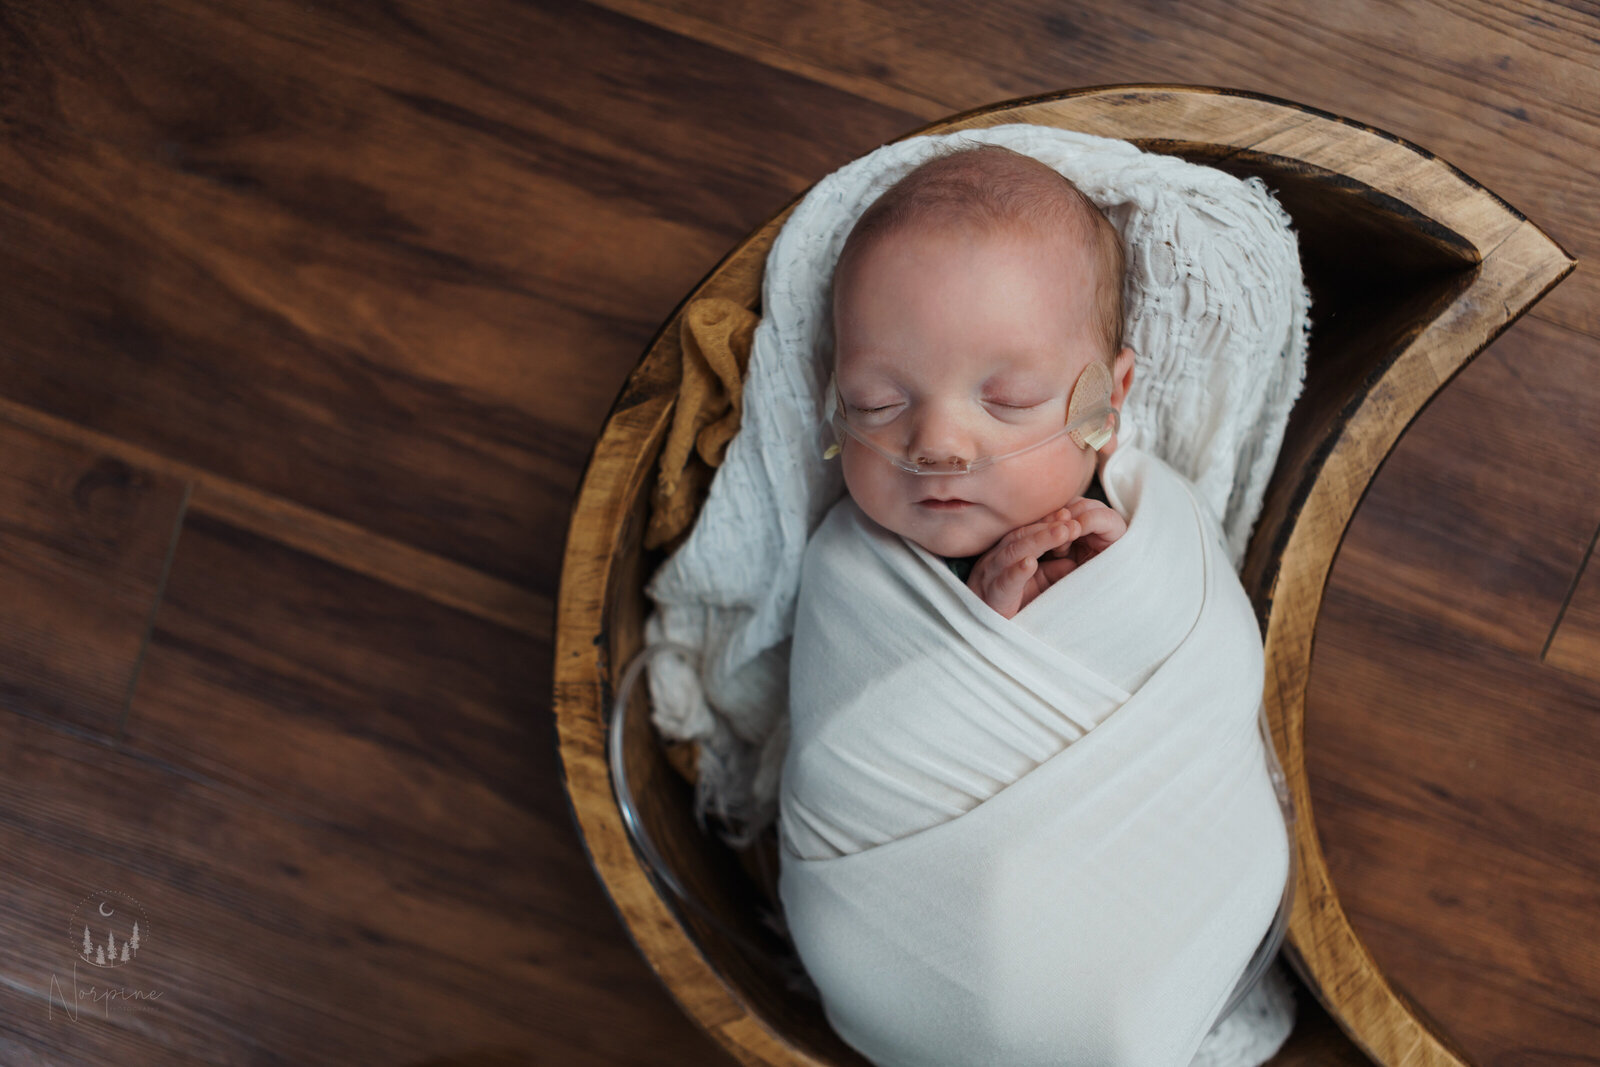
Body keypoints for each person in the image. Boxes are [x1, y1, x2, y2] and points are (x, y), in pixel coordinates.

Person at [825, 143, 1137, 618]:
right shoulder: (847, 565)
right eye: (877, 404)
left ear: (1108, 398)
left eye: (1010, 400)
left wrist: (1120, 586)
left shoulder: (1144, 517)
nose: (939, 447)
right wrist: (984, 619)